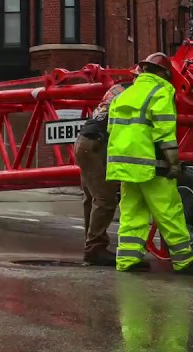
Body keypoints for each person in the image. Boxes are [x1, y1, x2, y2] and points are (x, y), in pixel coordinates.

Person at [106, 53, 193, 274]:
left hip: (124, 164)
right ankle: (184, 260)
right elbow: (165, 132)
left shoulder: (124, 94)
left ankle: (127, 259)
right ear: (163, 73)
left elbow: (111, 129)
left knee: (132, 211)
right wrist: (173, 163)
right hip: (151, 162)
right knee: (169, 210)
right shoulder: (160, 91)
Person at [75, 77, 129, 266]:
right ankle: (94, 248)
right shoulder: (135, 93)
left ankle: (91, 244)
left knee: (91, 197)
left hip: (85, 141)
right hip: (96, 143)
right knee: (105, 199)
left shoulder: (117, 89)